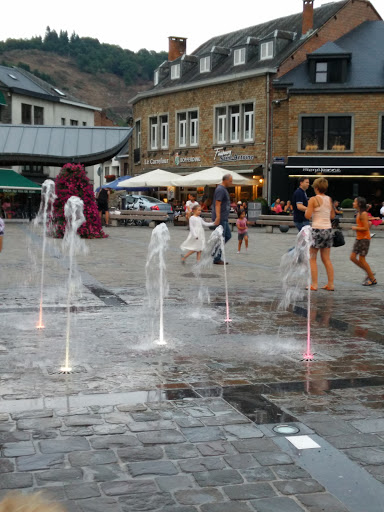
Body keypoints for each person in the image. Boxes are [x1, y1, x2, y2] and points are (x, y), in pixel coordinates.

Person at [305, 177, 335, 291]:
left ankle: (314, 284)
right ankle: (331, 284)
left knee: (312, 258)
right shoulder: (329, 199)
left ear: (316, 188)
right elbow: (332, 216)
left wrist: (309, 210)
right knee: (326, 258)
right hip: (328, 229)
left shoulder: (313, 199)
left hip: (317, 229)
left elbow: (307, 216)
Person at [350, 197, 377, 286]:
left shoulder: (363, 214)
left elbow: (366, 228)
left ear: (359, 204)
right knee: (352, 257)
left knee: (362, 259)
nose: (353, 203)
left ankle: (372, 279)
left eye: (355, 202)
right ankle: (369, 272)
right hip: (359, 238)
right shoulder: (359, 213)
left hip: (364, 239)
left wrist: (355, 227)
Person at [212, 173, 233, 265]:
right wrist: (218, 217)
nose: (231, 183)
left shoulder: (223, 189)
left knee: (227, 236)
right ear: (225, 180)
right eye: (230, 181)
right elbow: (217, 204)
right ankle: (216, 257)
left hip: (224, 217)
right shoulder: (220, 190)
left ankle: (214, 252)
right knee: (222, 237)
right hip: (221, 217)